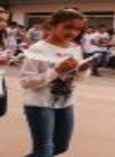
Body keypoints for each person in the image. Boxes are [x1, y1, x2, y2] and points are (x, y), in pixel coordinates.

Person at [20, 8, 91, 157]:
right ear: (52, 26)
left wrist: (83, 69)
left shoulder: (74, 48)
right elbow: (26, 82)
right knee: (44, 151)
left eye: (78, 29)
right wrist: (57, 71)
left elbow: (79, 79)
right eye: (68, 27)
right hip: (39, 105)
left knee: (60, 147)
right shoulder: (38, 49)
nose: (73, 33)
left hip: (65, 104)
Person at [0, 8, 11, 118]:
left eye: (5, 20)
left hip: (0, 75)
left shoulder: (3, 35)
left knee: (1, 109)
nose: (3, 23)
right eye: (0, 19)